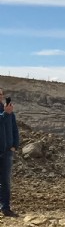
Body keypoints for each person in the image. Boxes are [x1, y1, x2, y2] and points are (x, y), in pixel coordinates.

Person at [0, 87, 20, 217]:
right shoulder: (6, 112)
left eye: (1, 94)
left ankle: (5, 208)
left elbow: (14, 129)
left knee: (5, 181)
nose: (0, 96)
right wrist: (5, 114)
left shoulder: (7, 110)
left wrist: (15, 145)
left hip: (7, 151)